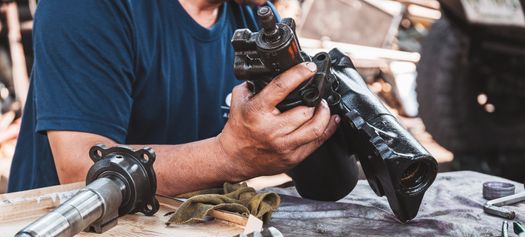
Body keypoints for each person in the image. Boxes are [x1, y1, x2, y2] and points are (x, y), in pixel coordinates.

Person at [8, 0, 339, 195]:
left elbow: (327, 183)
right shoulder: (90, 7)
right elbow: (83, 169)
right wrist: (229, 156)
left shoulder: (254, 20)